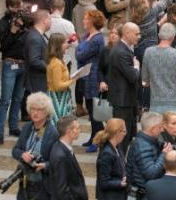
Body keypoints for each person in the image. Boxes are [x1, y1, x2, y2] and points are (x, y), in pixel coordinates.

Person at [8, 93, 59, 200]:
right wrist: (22, 154)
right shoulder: (27, 127)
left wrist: (44, 165)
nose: (35, 113)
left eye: (39, 110)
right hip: (25, 185)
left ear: (46, 112)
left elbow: (59, 161)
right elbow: (15, 150)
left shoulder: (52, 132)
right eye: (33, 110)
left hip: (44, 187)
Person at [0, 0, 27, 144]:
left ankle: (14, 127)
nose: (19, 9)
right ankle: (0, 132)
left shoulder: (24, 20)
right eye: (16, 6)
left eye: (20, 5)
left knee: (18, 98)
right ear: (9, 6)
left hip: (23, 64)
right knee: (5, 99)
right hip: (10, 64)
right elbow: (4, 48)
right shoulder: (2, 23)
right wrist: (13, 31)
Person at [142, 23, 176, 114]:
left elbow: (144, 79)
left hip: (155, 103)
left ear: (159, 35)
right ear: (173, 36)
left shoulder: (148, 52)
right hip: (175, 103)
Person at [75, 10, 106, 152]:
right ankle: (93, 136)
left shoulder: (97, 39)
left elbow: (80, 55)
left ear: (93, 21)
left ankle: (98, 140)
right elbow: (79, 53)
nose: (84, 21)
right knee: (90, 108)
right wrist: (78, 51)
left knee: (96, 112)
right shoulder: (87, 36)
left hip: (93, 77)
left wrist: (78, 50)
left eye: (86, 19)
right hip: (85, 76)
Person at [108, 22, 141, 151]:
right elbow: (132, 76)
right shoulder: (121, 51)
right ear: (127, 34)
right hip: (122, 101)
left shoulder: (124, 49)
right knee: (122, 137)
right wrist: (136, 66)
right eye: (136, 34)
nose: (139, 36)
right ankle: (120, 164)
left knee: (128, 135)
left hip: (126, 99)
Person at [46, 33, 75, 126]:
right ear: (58, 45)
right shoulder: (57, 63)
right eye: (65, 43)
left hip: (58, 95)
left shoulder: (57, 60)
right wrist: (73, 80)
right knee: (59, 125)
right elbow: (58, 85)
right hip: (57, 97)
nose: (68, 45)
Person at [24, 9, 52, 95]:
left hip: (39, 82)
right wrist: (51, 68)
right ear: (45, 21)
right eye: (50, 19)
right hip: (37, 83)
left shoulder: (37, 34)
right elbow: (34, 60)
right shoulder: (34, 37)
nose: (51, 22)